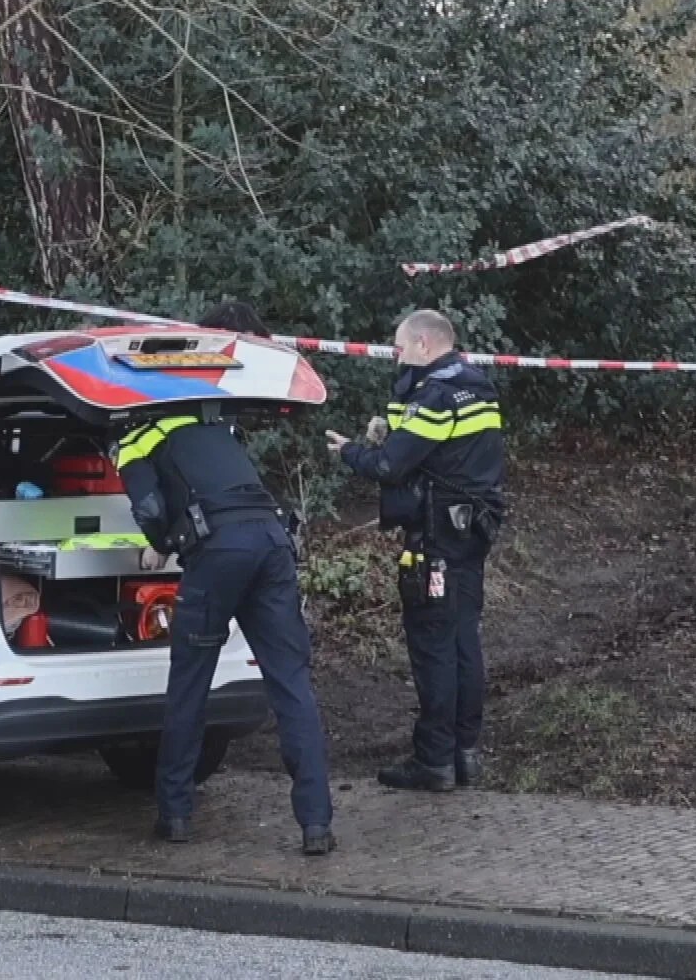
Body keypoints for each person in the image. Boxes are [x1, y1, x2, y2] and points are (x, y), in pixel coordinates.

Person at [114, 408, 334, 856]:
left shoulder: (136, 438)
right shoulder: (214, 427)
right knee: (291, 684)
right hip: (272, 543)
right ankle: (316, 823)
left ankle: (175, 814)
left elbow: (150, 507)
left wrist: (159, 545)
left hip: (218, 552)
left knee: (191, 682)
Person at [326, 309, 505, 793]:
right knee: (465, 640)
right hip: (472, 531)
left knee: (433, 645)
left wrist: (349, 452)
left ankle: (434, 762)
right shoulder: (477, 385)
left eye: (402, 346)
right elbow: (445, 453)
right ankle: (465, 755)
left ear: (425, 344)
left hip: (437, 538)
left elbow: (390, 465)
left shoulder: (435, 395)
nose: (398, 355)